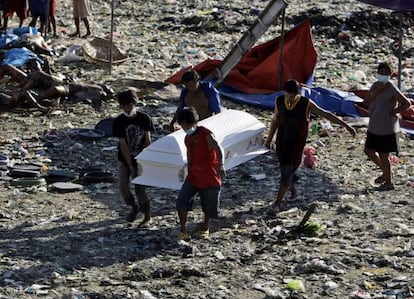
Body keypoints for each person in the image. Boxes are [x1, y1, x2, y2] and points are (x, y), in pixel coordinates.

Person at [264, 79, 356, 214]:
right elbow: (275, 120)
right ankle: (294, 190)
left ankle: (277, 203)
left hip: (296, 143)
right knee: (285, 166)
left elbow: (325, 114)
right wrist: (269, 139)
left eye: (292, 95)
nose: (289, 98)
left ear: (297, 93)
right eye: (287, 94)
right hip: (282, 141)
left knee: (287, 169)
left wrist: (346, 125)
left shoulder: (305, 103)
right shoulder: (279, 101)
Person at [175, 107, 225, 241]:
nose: (185, 128)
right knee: (181, 202)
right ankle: (183, 230)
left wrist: (221, 165)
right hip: (193, 175)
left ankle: (205, 227)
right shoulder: (187, 138)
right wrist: (188, 170)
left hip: (209, 174)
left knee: (208, 204)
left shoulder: (205, 134)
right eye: (183, 125)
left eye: (187, 125)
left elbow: (218, 148)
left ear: (193, 123)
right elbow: (189, 154)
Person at [362, 62, 411, 191]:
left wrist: (394, 112)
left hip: (387, 127)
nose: (382, 75)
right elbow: (366, 103)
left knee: (384, 155)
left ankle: (389, 182)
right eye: (381, 72)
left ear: (389, 75)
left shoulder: (391, 88)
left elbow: (406, 103)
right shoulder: (374, 86)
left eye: (385, 73)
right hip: (374, 126)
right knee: (369, 151)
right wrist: (375, 92)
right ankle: (386, 172)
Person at [112, 89, 154, 226]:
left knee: (140, 189)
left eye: (129, 104)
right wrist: (130, 165)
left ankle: (147, 217)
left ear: (134, 103)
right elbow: (123, 145)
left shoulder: (144, 118)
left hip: (141, 158)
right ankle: (133, 207)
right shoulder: (119, 121)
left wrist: (145, 161)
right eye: (124, 105)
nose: (127, 108)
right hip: (124, 159)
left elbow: (147, 140)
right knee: (123, 186)